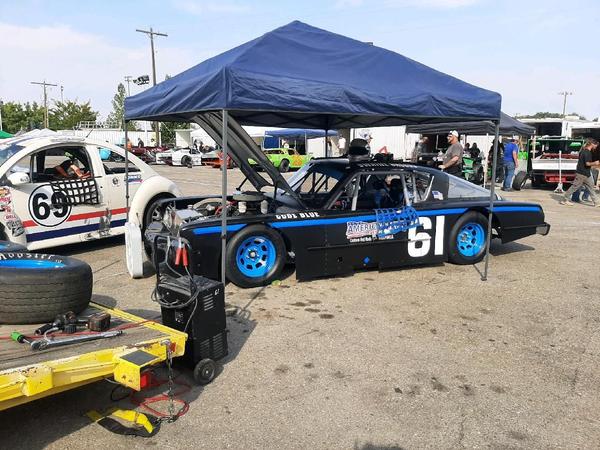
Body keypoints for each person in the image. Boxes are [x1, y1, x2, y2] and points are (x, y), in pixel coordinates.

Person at [560, 138, 600, 206]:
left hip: (586, 173)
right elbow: (587, 163)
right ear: (592, 144)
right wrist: (595, 163)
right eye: (596, 145)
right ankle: (564, 199)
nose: (596, 147)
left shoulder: (585, 151)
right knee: (575, 187)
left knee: (591, 187)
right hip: (582, 173)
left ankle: (596, 202)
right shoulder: (586, 152)